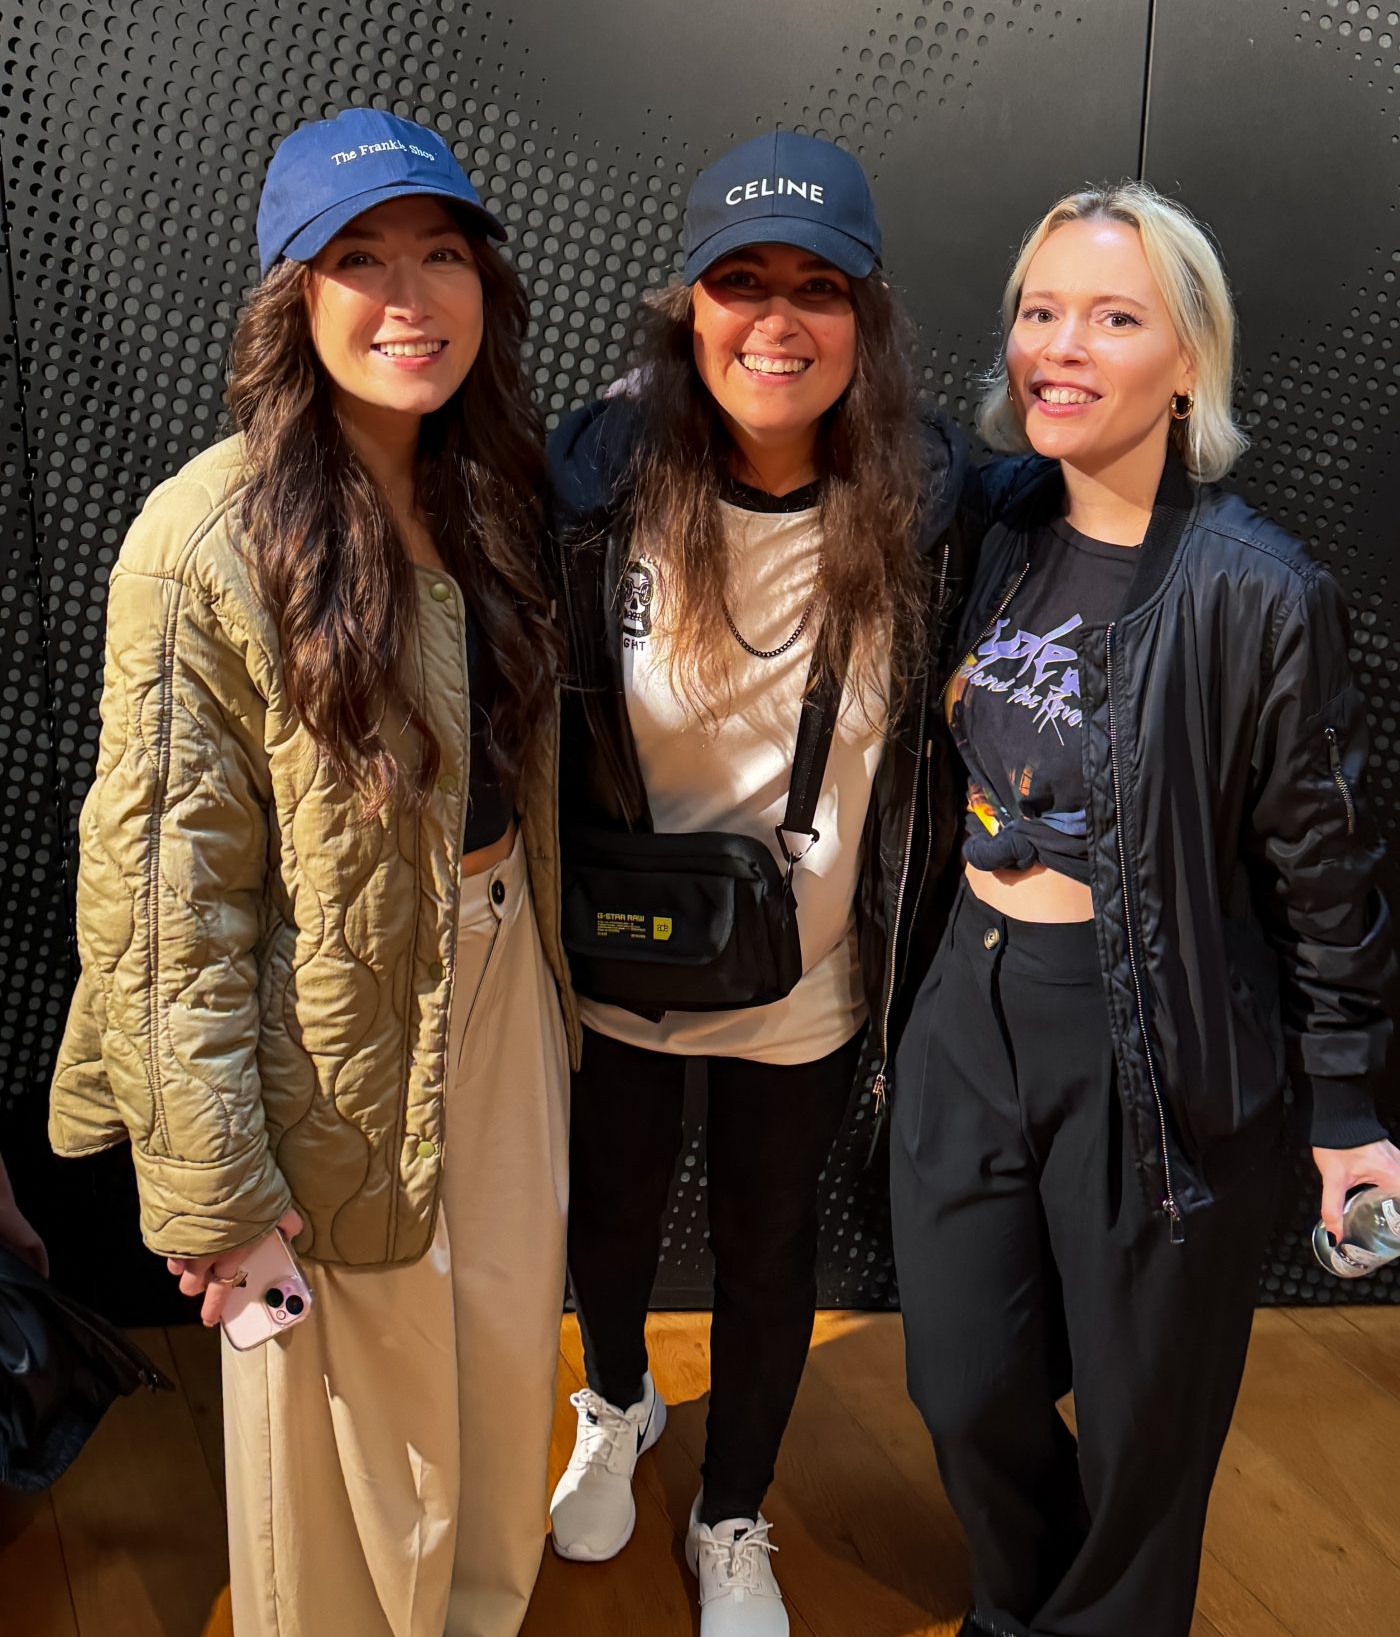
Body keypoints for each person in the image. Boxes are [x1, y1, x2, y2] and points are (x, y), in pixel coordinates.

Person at [47, 109, 577, 1637]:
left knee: (498, 1347)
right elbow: (164, 905)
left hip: (499, 969)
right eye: (361, 259)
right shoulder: (201, 538)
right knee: (346, 1429)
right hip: (319, 1029)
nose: (409, 296)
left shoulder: (494, 488)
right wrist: (213, 1188)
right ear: (294, 295)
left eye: (441, 254)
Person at [889, 181, 1400, 1637]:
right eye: (1039, 311)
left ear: (1188, 360)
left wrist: (1350, 1106)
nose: (1061, 346)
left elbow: (1328, 866)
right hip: (970, 1010)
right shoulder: (992, 527)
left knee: (1141, 1429)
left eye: (1113, 317)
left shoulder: (1261, 591)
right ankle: (1022, 1606)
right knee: (963, 1387)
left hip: (1151, 1037)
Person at [546, 128, 975, 1636]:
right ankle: (616, 1403)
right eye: (741, 281)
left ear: (868, 317)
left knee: (767, 1244)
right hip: (618, 949)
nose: (777, 320)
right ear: (688, 308)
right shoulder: (595, 483)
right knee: (607, 1221)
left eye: (818, 286)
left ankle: (733, 1510)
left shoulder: (930, 503)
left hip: (807, 972)